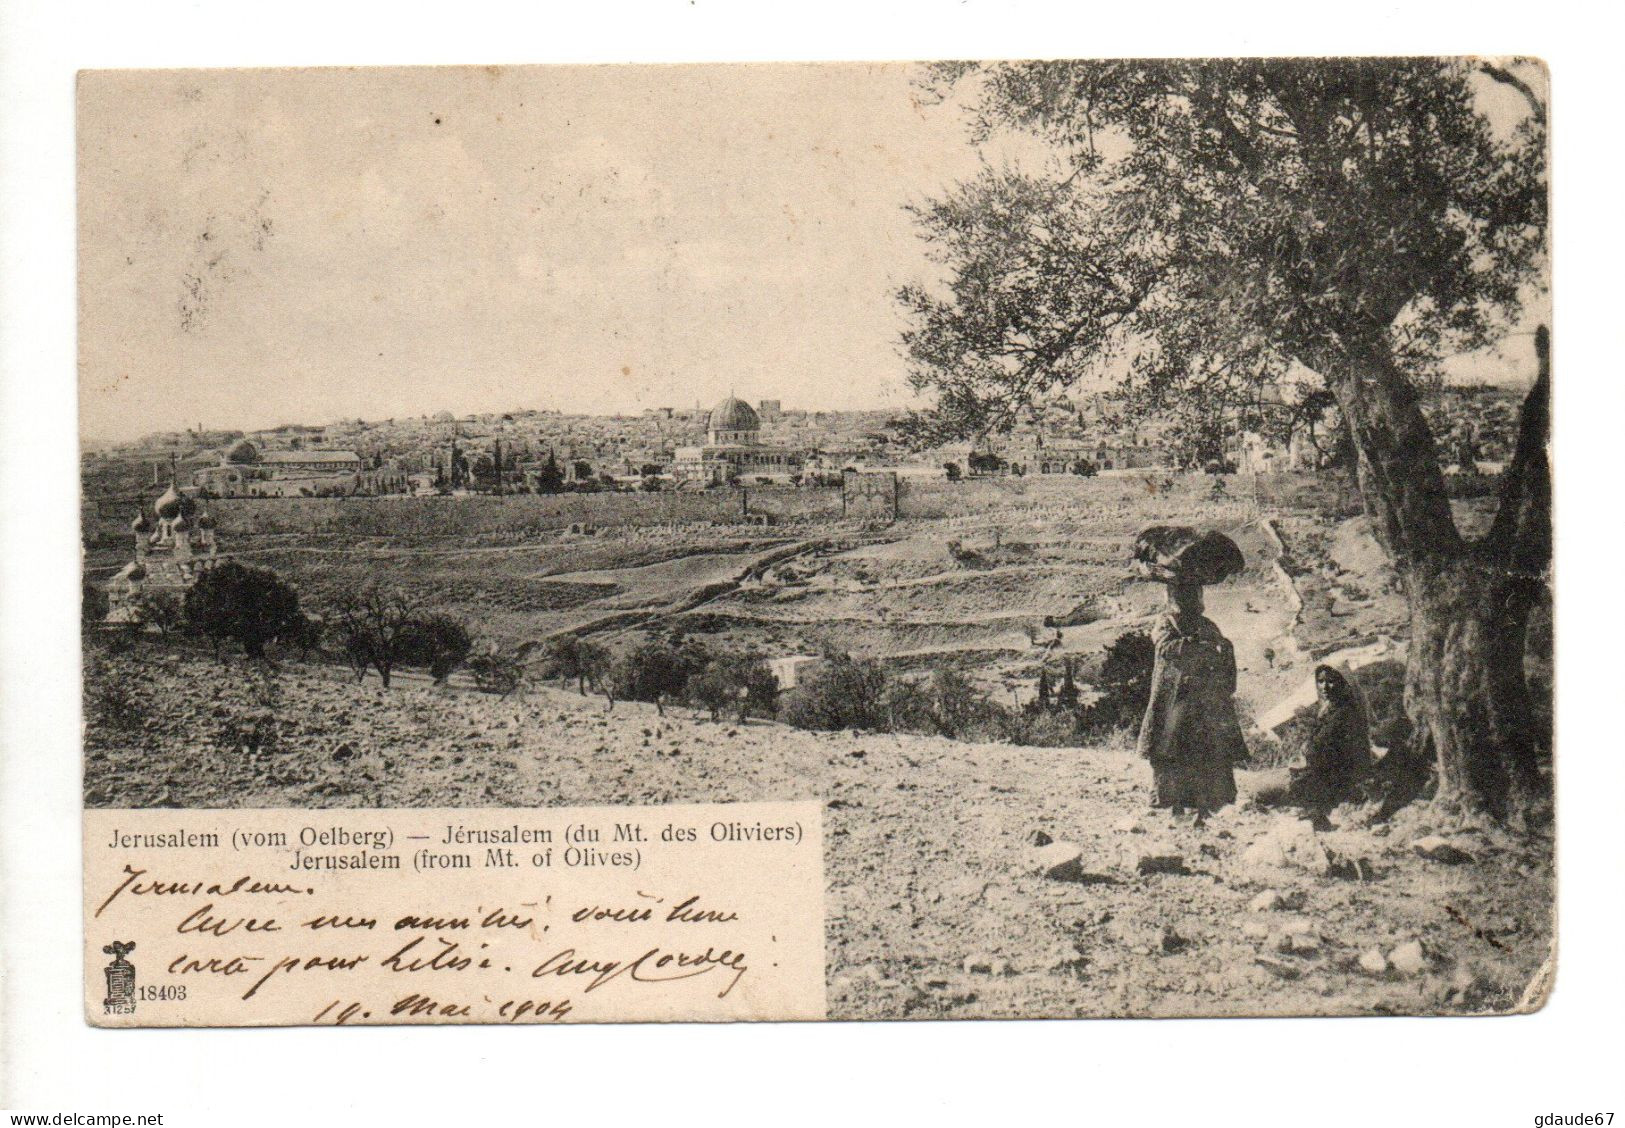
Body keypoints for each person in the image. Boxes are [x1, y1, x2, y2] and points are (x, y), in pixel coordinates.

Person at [1137, 581, 1249, 818]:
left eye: (1193, 593)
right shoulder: (1167, 622)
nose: (1189, 599)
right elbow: (1164, 647)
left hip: (1204, 698)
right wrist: (1194, 645)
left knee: (1207, 747)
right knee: (1172, 747)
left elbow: (1222, 647)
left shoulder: (1207, 624)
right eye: (1183, 593)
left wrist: (1220, 647)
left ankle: (1211, 799)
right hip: (1174, 698)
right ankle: (1171, 799)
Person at [1287, 665, 1374, 827]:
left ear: (1341, 683)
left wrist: (1308, 750)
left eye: (1331, 681)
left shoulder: (1344, 710)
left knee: (1300, 785)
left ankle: (1319, 814)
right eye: (1320, 681)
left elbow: (1323, 740)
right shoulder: (1329, 707)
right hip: (1331, 764)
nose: (1324, 687)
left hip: (1344, 770)